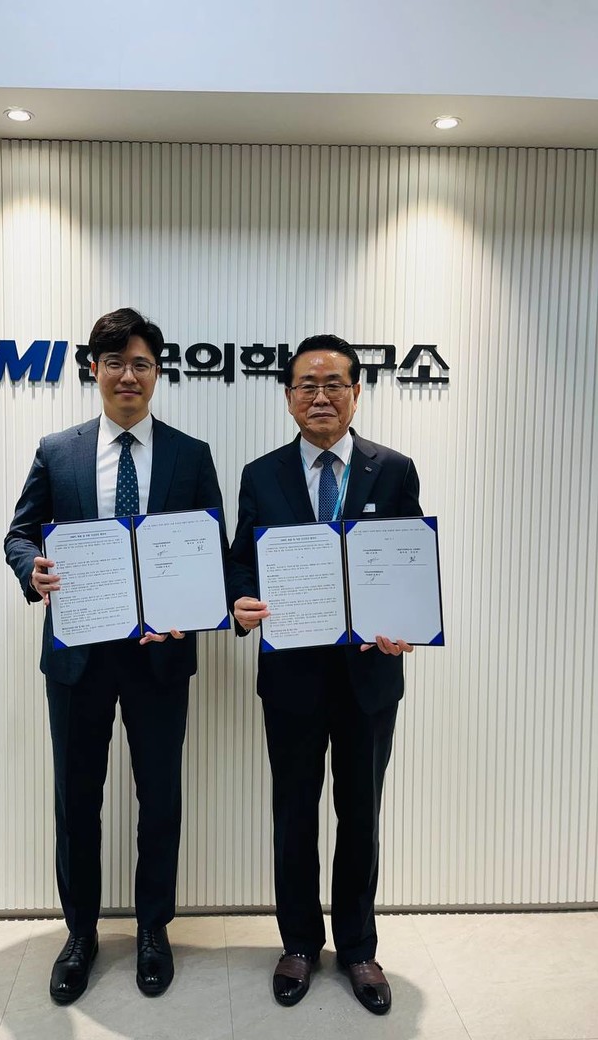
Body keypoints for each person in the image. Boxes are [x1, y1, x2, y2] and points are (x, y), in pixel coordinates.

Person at [4, 308, 225, 1004]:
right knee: (77, 800)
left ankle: (153, 929)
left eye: (141, 364)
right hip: (79, 657)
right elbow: (19, 535)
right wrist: (32, 569)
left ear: (158, 373)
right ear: (93, 370)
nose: (128, 375)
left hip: (160, 658)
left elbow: (212, 553)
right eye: (114, 363)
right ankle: (80, 934)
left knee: (159, 799)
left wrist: (191, 612)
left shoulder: (191, 455)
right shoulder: (57, 451)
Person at [228, 334, 422, 1015]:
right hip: (292, 679)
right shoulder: (261, 475)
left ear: (356, 393)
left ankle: (360, 947)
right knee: (293, 813)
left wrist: (408, 619)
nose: (320, 396)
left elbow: (407, 559)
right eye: (306, 385)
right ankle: (300, 945)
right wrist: (240, 602)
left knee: (361, 814)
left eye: (334, 383)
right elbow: (241, 560)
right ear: (288, 397)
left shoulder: (393, 470)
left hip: (370, 679)